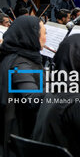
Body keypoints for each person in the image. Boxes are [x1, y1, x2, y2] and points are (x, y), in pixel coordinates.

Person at [0, 16, 46, 155]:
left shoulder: (18, 55)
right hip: (19, 135)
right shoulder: (21, 63)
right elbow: (32, 99)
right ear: (31, 36)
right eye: (44, 33)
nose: (45, 38)